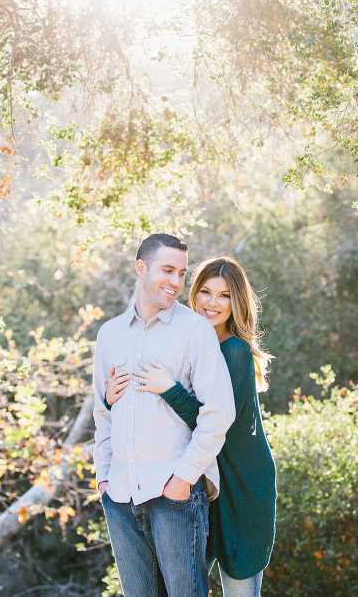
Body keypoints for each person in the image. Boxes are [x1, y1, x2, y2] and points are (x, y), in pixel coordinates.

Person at [108, 256, 277, 597]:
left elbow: (214, 420)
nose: (212, 303)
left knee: (240, 591)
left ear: (237, 301)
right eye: (205, 292)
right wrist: (112, 398)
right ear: (193, 294)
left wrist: (169, 389)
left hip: (241, 486)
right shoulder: (189, 342)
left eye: (225, 295)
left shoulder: (234, 352)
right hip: (204, 481)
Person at [92, 234, 235, 597]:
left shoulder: (195, 331)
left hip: (176, 497)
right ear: (141, 268)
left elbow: (219, 413)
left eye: (182, 273)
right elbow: (102, 412)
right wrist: (104, 480)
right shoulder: (109, 335)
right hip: (121, 497)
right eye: (167, 270)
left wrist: (183, 480)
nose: (176, 282)